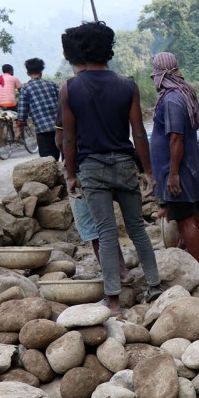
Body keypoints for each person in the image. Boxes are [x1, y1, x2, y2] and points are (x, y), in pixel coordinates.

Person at [59, 21, 160, 313]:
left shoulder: (69, 88)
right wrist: (149, 171)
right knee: (137, 228)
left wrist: (71, 175)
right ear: (109, 50)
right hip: (125, 163)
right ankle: (154, 285)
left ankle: (113, 299)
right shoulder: (127, 85)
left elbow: (69, 137)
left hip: (91, 167)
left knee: (105, 233)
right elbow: (138, 133)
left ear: (82, 51)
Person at [54, 67, 131, 286]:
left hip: (83, 167)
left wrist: (70, 172)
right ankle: (125, 270)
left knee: (93, 226)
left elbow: (63, 138)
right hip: (116, 160)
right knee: (115, 223)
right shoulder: (116, 85)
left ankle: (116, 276)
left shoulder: (70, 92)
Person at [149, 52, 199, 276]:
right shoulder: (183, 92)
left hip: (179, 169)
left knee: (185, 219)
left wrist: (173, 173)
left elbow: (176, 138)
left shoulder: (172, 98)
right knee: (191, 215)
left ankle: (198, 268)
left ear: (160, 72)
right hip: (188, 165)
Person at [16, 57, 61, 159]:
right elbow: (63, 103)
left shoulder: (26, 88)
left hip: (43, 131)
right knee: (65, 160)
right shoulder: (52, 85)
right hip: (60, 128)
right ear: (41, 72)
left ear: (27, 73)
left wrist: (19, 130)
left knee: (48, 163)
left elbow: (22, 112)